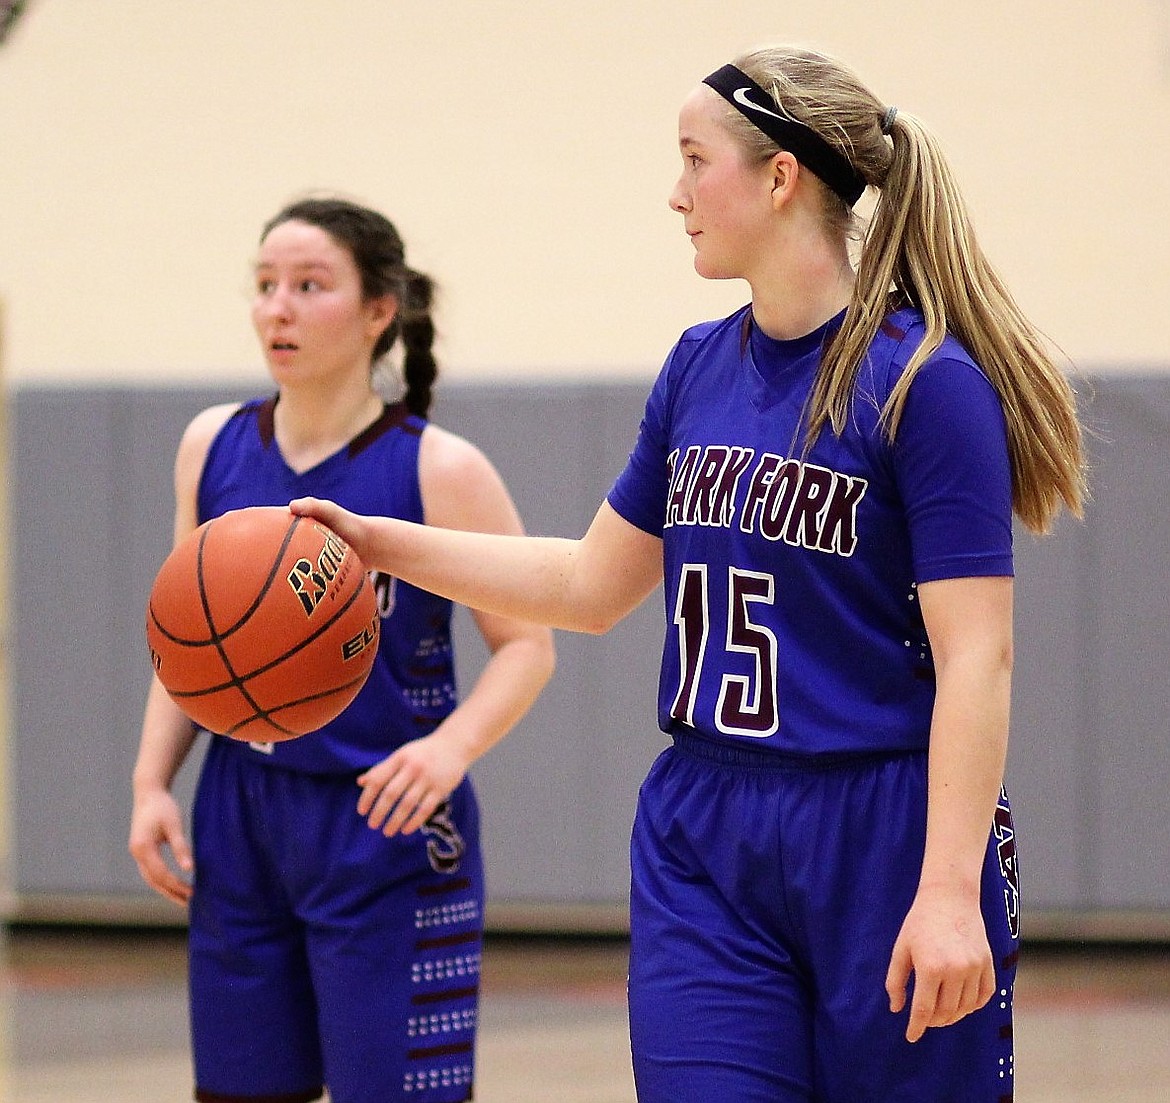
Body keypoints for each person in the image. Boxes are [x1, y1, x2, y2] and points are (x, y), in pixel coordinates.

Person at [290, 45, 1086, 1103]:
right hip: (704, 829)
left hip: (883, 831)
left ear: (778, 177)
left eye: (692, 159)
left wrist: (948, 889)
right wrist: (383, 540)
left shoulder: (924, 383)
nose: (674, 193)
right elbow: (589, 583)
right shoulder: (697, 366)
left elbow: (977, 654)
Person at [129, 195, 555, 1103]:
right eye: (265, 285)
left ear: (377, 311)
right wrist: (150, 782)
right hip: (240, 812)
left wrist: (450, 749)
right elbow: (190, 649)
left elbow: (528, 645)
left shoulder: (439, 467)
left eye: (309, 285)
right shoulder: (210, 445)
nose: (276, 307)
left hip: (386, 818)